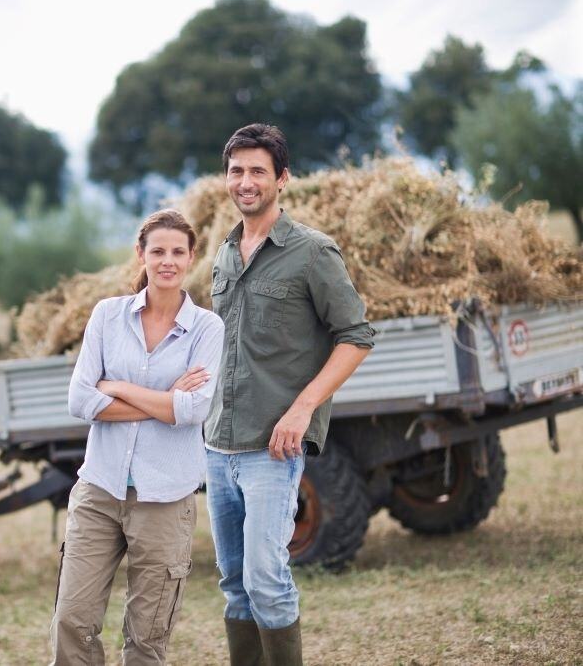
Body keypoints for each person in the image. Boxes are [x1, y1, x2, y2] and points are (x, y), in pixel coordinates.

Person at [205, 124, 375, 665]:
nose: (246, 182)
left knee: (266, 580)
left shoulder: (312, 253)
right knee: (234, 583)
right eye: (237, 171)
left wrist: (303, 410)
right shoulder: (224, 254)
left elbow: (356, 336)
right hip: (217, 449)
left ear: (283, 179)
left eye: (258, 171)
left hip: (271, 451)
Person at [51, 209, 225, 665]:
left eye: (177, 252)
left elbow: (193, 410)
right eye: (158, 251)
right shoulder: (107, 316)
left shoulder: (207, 328)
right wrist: (163, 400)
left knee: (148, 635)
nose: (167, 261)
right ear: (141, 255)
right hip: (100, 490)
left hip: (165, 499)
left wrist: (121, 388)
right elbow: (80, 401)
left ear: (191, 257)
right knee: (72, 618)